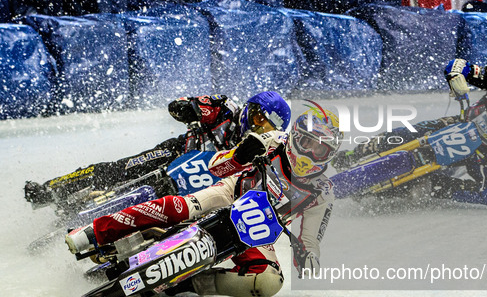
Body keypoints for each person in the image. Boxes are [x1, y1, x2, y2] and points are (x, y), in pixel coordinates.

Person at [65, 106, 343, 297]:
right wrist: (240, 156)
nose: (310, 153)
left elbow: (310, 244)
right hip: (228, 194)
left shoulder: (322, 193)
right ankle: (93, 232)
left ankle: (191, 284)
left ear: (330, 154)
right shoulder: (272, 140)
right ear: (295, 137)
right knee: (180, 207)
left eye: (321, 149)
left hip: (257, 233)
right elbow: (216, 168)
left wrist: (308, 259)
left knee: (269, 282)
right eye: (307, 142)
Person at [333, 59, 487, 206]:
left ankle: (435, 187)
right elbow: (458, 65)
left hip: (485, 153)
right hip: (459, 123)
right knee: (406, 132)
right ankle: (356, 153)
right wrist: (457, 77)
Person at [23, 91, 291, 209]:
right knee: (122, 169)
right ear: (252, 110)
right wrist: (191, 108)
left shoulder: (266, 149)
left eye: (266, 127)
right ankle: (50, 189)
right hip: (178, 154)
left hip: (205, 189)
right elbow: (180, 105)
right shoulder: (226, 109)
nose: (259, 128)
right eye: (259, 119)